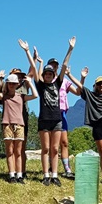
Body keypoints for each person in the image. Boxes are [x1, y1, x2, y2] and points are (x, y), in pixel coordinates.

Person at [24, 37, 76, 187]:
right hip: (44, 120)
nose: (47, 75)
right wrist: (27, 52)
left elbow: (64, 65)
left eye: (50, 74)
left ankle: (55, 175)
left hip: (57, 119)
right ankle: (46, 175)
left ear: (53, 76)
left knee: (55, 148)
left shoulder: (58, 83)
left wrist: (70, 49)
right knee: (45, 148)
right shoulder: (40, 86)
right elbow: (34, 68)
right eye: (46, 73)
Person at [34, 50, 83, 178]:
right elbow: (36, 75)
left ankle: (66, 169)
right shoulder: (44, 83)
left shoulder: (62, 80)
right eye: (51, 65)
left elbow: (78, 92)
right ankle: (49, 169)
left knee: (63, 142)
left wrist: (71, 49)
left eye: (56, 65)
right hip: (46, 115)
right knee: (48, 145)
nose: (54, 67)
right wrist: (38, 61)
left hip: (60, 114)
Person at [0, 73, 38, 184]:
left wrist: (29, 82)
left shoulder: (21, 96)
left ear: (17, 84)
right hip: (7, 125)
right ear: (7, 84)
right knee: (9, 151)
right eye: (10, 84)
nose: (12, 86)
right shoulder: (4, 96)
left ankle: (19, 175)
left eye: (14, 84)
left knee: (18, 152)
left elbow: (35, 95)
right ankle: (11, 175)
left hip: (19, 125)